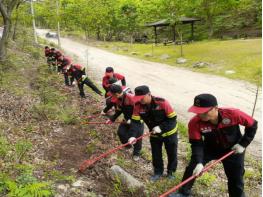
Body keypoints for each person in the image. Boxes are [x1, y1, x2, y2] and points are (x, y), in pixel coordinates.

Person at [171, 93, 258, 197]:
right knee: (193, 167)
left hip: (233, 149)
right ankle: (183, 192)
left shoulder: (233, 114)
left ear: (215, 108)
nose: (200, 115)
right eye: (197, 112)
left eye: (203, 112)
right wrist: (199, 162)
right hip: (210, 148)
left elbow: (253, 124)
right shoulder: (194, 123)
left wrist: (243, 144)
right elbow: (196, 144)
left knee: (236, 177)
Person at [129, 85, 178, 181]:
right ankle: (158, 172)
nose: (140, 100)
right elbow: (135, 122)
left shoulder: (162, 103)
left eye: (142, 98)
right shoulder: (138, 106)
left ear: (149, 95)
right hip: (154, 134)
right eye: (138, 98)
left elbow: (172, 119)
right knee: (156, 154)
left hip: (170, 133)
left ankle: (171, 172)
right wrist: (132, 136)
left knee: (172, 153)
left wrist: (161, 127)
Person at [105, 84, 143, 160]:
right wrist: (112, 119)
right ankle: (127, 145)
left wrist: (132, 120)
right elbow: (119, 111)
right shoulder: (118, 99)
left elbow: (140, 111)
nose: (112, 97)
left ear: (116, 94)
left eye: (112, 95)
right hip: (126, 119)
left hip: (137, 121)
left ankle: (136, 153)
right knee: (120, 132)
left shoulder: (131, 99)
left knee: (137, 138)